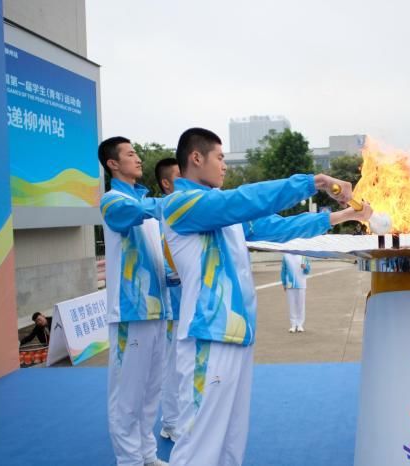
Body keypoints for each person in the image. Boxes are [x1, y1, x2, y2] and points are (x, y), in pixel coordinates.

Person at [162, 128, 371, 466]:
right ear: (196, 158)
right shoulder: (181, 204)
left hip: (236, 335)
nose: (225, 166)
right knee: (199, 443)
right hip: (208, 337)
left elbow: (279, 228)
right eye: (219, 158)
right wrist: (313, 182)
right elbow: (243, 200)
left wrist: (345, 216)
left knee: (231, 440)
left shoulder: (225, 215)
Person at [99, 137, 170, 466]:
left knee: (150, 394)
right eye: (130, 154)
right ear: (113, 164)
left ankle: (147, 455)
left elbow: (155, 260)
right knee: (127, 398)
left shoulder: (149, 208)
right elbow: (133, 213)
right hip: (130, 314)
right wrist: (176, 203)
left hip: (157, 312)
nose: (138, 159)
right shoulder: (113, 202)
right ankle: (129, 461)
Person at [154, 157, 183, 443]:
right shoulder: (161, 216)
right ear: (166, 183)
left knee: (186, 365)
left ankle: (179, 419)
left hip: (190, 305)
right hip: (172, 305)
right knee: (172, 366)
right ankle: (171, 422)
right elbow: (163, 262)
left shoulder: (186, 213)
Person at [281, 253, 311, 333]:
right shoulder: (286, 256)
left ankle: (300, 325)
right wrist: (284, 283)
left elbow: (308, 271)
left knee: (300, 305)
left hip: (301, 284)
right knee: (292, 305)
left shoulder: (304, 256)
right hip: (290, 284)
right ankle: (293, 325)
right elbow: (283, 270)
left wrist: (305, 268)